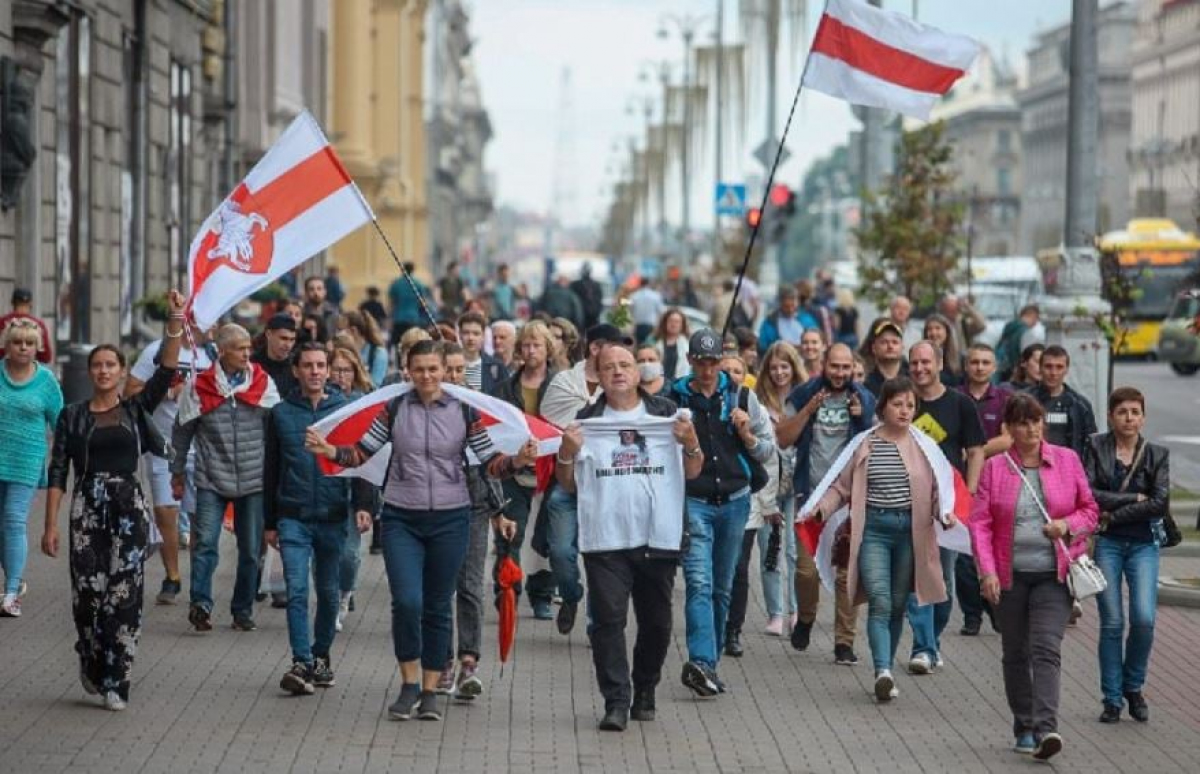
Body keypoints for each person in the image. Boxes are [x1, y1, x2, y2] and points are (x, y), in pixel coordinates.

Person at [306, 339, 536, 722]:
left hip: (451, 517)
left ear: (444, 371)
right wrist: (331, 452)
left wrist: (517, 461)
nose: (427, 376)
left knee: (436, 604)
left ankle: (430, 690)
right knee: (407, 601)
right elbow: (362, 453)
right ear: (408, 371)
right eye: (420, 369)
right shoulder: (395, 408)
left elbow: (490, 462)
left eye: (434, 369)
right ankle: (408, 682)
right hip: (401, 518)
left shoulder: (463, 411)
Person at [41, 290, 185, 707]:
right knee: (88, 595)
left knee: (125, 593)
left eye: (110, 365)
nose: (104, 371)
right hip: (87, 510)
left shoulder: (136, 410)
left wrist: (175, 321)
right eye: (97, 366)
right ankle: (89, 658)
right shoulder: (73, 415)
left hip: (128, 510)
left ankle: (116, 679)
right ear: (90, 372)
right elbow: (58, 471)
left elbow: (166, 369)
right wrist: (50, 525)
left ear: (122, 372)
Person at [555, 343, 703, 731]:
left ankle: (646, 687)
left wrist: (690, 442)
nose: (618, 372)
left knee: (656, 624)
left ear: (638, 373)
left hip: (659, 537)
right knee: (608, 622)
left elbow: (692, 471)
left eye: (625, 365)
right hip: (605, 540)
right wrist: (566, 453)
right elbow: (568, 484)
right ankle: (616, 701)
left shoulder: (668, 415)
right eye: (609, 367)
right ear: (598, 376)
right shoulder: (586, 420)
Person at [799, 377, 950, 702]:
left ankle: (887, 671)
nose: (905, 411)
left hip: (911, 533)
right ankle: (882, 669)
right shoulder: (865, 443)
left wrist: (945, 512)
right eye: (898, 404)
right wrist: (820, 510)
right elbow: (841, 487)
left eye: (910, 405)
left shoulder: (924, 446)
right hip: (874, 532)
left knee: (897, 605)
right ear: (882, 407)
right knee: (880, 600)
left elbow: (939, 488)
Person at [971, 393, 1099, 760]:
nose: (1031, 429)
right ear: (1009, 429)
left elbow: (1090, 510)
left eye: (1036, 421)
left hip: (1053, 574)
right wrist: (988, 572)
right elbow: (979, 524)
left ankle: (1046, 728)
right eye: (1022, 423)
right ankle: (1023, 724)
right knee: (1016, 652)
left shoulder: (1066, 461)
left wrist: (1066, 525)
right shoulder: (996, 468)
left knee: (1046, 648)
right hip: (1009, 576)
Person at [668, 328, 776, 697]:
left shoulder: (742, 395)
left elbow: (766, 453)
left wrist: (746, 434)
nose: (707, 368)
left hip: (735, 500)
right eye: (700, 360)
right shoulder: (674, 397)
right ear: (690, 360)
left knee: (722, 586)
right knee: (698, 582)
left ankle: (708, 664)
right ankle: (699, 660)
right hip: (694, 500)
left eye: (713, 361)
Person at [265, 343, 373, 696]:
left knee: (328, 593)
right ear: (295, 370)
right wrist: (269, 521)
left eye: (321, 365)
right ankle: (301, 661)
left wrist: (363, 503)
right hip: (293, 516)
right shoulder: (280, 413)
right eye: (308, 365)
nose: (314, 371)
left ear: (329, 371)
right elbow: (271, 470)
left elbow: (360, 460)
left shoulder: (345, 410)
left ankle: (321, 655)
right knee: (297, 590)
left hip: (332, 515)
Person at [172, 323, 280, 632]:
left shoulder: (261, 382)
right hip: (211, 477)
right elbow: (182, 432)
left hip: (253, 479)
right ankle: (201, 604)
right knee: (205, 542)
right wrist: (177, 472)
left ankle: (242, 609)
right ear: (222, 351)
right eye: (240, 348)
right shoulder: (200, 386)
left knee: (249, 549)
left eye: (248, 348)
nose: (248, 354)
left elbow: (278, 428)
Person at [777, 343, 874, 664]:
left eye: (846, 368)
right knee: (806, 571)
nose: (840, 373)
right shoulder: (805, 393)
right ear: (824, 365)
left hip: (849, 500)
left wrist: (862, 419)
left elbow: (874, 442)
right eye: (835, 366)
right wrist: (807, 411)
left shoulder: (864, 398)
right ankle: (805, 618)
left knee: (847, 573)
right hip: (811, 496)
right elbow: (782, 437)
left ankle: (844, 642)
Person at [539, 323, 636, 634]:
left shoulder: (626, 386)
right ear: (596, 349)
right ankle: (570, 595)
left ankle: (600, 624)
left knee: (601, 560)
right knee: (561, 552)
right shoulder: (565, 382)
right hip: (568, 484)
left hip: (607, 487)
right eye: (614, 348)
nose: (620, 361)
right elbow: (555, 418)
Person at [1083, 387, 1169, 725]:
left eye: (1135, 412)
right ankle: (1112, 698)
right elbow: (1089, 492)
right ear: (1110, 416)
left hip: (1144, 545)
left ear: (1143, 417)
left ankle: (1134, 686)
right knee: (1113, 623)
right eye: (1123, 412)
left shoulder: (1157, 454)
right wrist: (1135, 499)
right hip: (1107, 545)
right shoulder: (1095, 446)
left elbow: (1160, 503)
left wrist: (1113, 512)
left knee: (1144, 619)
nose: (1129, 418)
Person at [905, 340, 986, 674]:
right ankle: (922, 648)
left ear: (939, 363)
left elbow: (977, 450)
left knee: (944, 580)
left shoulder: (960, 404)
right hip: (909, 504)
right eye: (914, 363)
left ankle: (932, 640)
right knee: (916, 578)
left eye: (926, 362)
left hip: (948, 507)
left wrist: (967, 493)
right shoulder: (902, 401)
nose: (920, 369)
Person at [440, 342, 515, 701]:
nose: (452, 377)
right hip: (434, 509)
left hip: (473, 509)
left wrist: (499, 511)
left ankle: (468, 661)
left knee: (470, 586)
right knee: (439, 589)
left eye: (458, 370)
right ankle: (441, 664)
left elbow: (490, 463)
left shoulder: (474, 411)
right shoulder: (420, 410)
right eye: (447, 369)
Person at [126, 322, 216, 604]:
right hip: (164, 445)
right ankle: (172, 576)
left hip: (205, 448)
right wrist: (167, 392)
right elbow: (131, 391)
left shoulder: (212, 355)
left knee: (202, 519)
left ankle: (201, 583)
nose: (209, 325)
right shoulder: (156, 352)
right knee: (166, 510)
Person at [492, 321, 559, 619]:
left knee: (545, 538)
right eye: (526, 346)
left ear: (548, 350)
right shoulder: (506, 387)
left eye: (537, 345)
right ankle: (506, 592)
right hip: (514, 469)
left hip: (550, 471)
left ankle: (542, 594)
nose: (531, 351)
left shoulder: (559, 386)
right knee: (509, 534)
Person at [0, 317, 64, 616]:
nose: (23, 348)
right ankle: (13, 578)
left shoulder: (46, 382)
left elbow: (60, 425)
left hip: (26, 461)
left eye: (29, 343)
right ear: (6, 345)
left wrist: (62, 464)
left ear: (37, 347)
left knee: (13, 520)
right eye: (17, 342)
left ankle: (11, 591)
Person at [747, 342, 806, 639]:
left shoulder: (803, 400)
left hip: (796, 486)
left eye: (785, 366)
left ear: (794, 368)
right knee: (770, 548)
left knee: (795, 551)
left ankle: (796, 610)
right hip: (766, 485)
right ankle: (775, 613)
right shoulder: (757, 402)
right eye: (774, 367)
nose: (780, 372)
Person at [955, 343, 1012, 635]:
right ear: (966, 366)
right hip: (961, 485)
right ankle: (971, 615)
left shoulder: (1004, 399)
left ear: (994, 367)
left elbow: (1009, 439)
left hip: (998, 485)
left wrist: (975, 449)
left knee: (994, 549)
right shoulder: (954, 397)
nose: (979, 367)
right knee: (965, 556)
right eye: (974, 361)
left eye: (985, 362)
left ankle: (996, 607)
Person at [1031, 345, 1097, 459]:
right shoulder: (1026, 401)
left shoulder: (1081, 405)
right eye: (1048, 366)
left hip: (1068, 468)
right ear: (1040, 368)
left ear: (1066, 369)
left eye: (1059, 367)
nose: (1053, 372)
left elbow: (1091, 444)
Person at [458, 312, 508, 392]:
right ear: (460, 335)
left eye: (476, 334)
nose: (471, 338)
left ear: (483, 336)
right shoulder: (449, 365)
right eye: (466, 333)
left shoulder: (496, 366)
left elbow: (506, 398)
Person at [0, 288, 53, 364]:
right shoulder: (38, 324)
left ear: (12, 302)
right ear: (31, 304)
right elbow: (46, 357)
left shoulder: (2, 322)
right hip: (29, 369)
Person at [252, 313, 299, 397]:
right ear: (268, 334)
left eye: (292, 340)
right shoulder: (251, 365)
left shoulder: (298, 365)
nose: (288, 345)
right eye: (283, 338)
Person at [758, 286, 817, 354]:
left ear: (798, 303)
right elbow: (763, 345)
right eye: (786, 306)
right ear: (780, 304)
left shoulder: (806, 318)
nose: (790, 310)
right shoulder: (770, 322)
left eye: (793, 306)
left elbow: (815, 336)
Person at [388, 263, 435, 345]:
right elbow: (423, 302)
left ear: (402, 270)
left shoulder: (396, 284)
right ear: (413, 270)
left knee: (398, 343)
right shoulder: (418, 284)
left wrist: (390, 318)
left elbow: (391, 303)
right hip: (413, 318)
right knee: (412, 343)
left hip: (399, 318)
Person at [862, 319, 908, 397]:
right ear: (873, 348)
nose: (890, 346)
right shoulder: (865, 381)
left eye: (895, 342)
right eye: (884, 342)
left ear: (902, 347)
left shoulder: (913, 379)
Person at [342, 310, 388, 388]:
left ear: (353, 331)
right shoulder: (343, 351)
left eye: (341, 330)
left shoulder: (378, 353)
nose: (338, 334)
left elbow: (375, 386)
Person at [997, 304, 1041, 382]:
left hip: (1001, 370)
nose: (1036, 323)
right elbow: (1027, 354)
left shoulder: (1009, 328)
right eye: (1037, 319)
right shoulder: (1026, 332)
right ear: (1032, 315)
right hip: (1015, 374)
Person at [922, 314, 963, 386]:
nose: (933, 333)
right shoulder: (920, 358)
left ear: (947, 332)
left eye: (938, 328)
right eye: (929, 329)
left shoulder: (960, 359)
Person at [652, 308, 691, 381]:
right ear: (665, 323)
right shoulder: (653, 342)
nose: (673, 324)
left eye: (677, 322)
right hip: (658, 384)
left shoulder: (688, 346)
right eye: (671, 321)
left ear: (682, 325)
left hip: (678, 385)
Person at [629, 278, 666, 345]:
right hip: (651, 326)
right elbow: (661, 311)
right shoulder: (655, 296)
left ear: (640, 284)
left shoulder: (634, 296)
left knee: (639, 346)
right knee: (651, 346)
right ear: (649, 284)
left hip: (638, 326)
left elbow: (630, 309)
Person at [570, 263, 605, 330]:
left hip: (592, 315)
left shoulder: (595, 285)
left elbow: (599, 300)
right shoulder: (576, 285)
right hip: (582, 315)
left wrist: (597, 310)